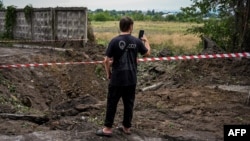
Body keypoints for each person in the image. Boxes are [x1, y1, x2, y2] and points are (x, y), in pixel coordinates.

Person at [96, 16, 151, 137]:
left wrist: (108, 73)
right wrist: (146, 41)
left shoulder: (114, 41)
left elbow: (106, 60)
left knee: (112, 103)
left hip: (117, 79)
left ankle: (107, 129)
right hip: (131, 78)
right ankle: (126, 127)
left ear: (120, 26)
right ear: (131, 27)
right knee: (129, 103)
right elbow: (147, 53)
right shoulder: (136, 41)